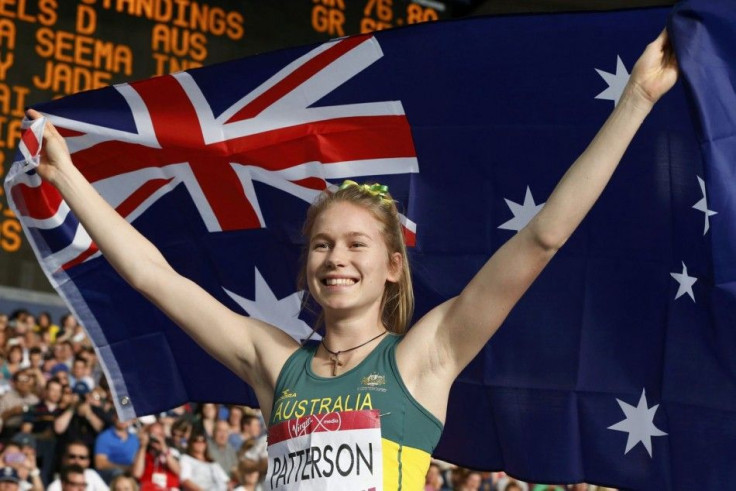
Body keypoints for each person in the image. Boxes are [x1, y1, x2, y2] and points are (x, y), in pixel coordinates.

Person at [26, 27, 678, 490]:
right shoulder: (274, 362)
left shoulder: (426, 355)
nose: (336, 257)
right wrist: (66, 175)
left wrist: (636, 102)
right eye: (322, 243)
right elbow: (151, 275)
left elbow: (541, 239)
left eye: (356, 243)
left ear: (394, 264)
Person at [131, 421, 180, 491]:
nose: (156, 438)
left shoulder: (172, 452)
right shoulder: (142, 453)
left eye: (159, 434)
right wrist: (143, 447)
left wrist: (164, 449)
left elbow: (177, 471)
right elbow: (136, 474)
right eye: (153, 435)